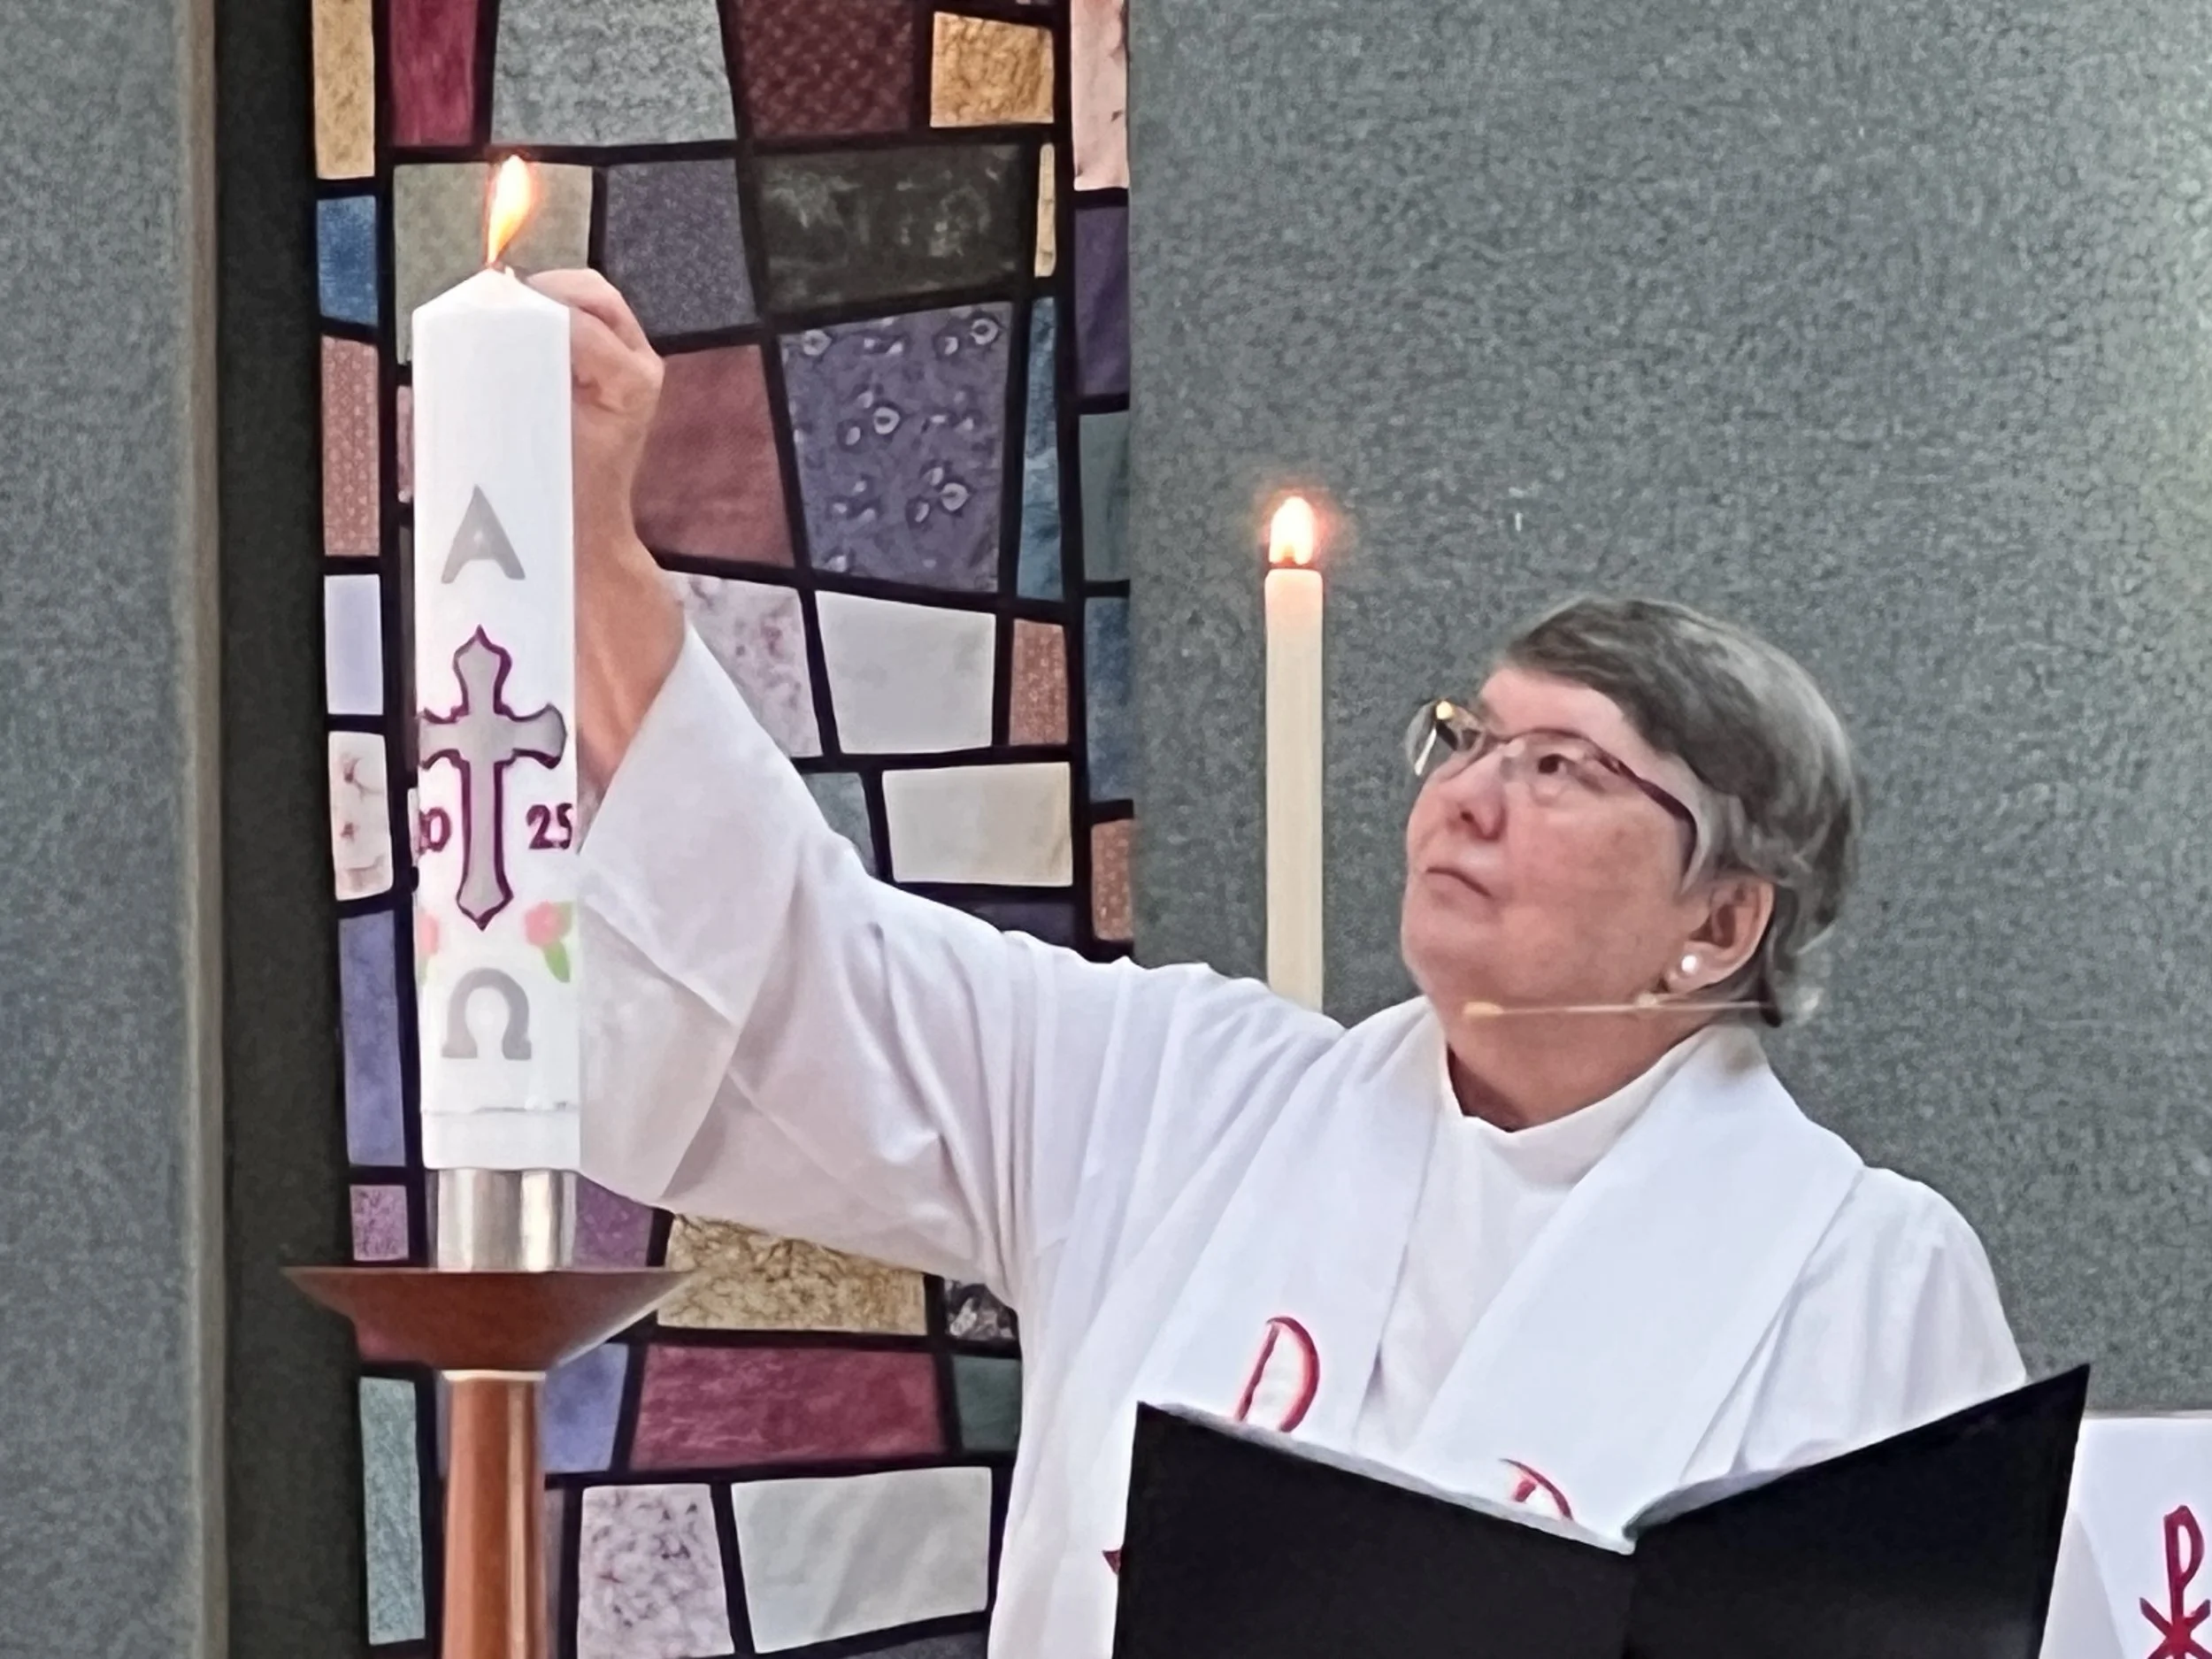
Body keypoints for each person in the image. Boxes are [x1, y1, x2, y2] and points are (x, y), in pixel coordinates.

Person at [532, 269, 2119, 1658]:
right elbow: (803, 966)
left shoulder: (1862, 1278)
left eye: (1566, 766)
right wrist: (595, 549)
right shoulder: (1177, 1098)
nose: (1471, 793)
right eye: (1468, 737)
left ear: (1721, 918)